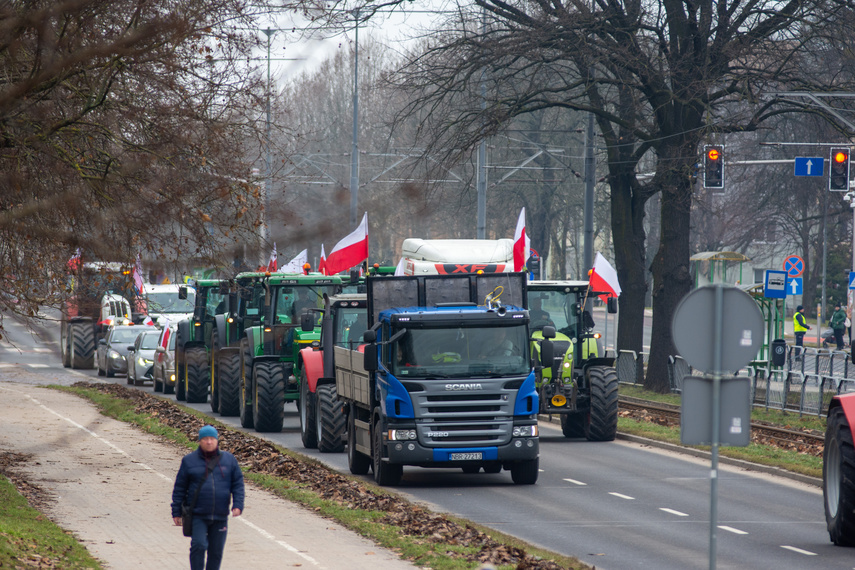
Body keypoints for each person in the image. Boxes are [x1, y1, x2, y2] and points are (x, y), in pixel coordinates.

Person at [171, 425, 244, 570]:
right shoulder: (189, 461)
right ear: (199, 441)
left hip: (220, 515)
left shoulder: (229, 460)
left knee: (216, 552)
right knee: (199, 545)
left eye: (212, 439)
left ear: (217, 441)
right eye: (205, 439)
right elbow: (179, 488)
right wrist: (176, 512)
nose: (209, 442)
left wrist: (238, 505)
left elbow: (238, 484)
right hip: (198, 515)